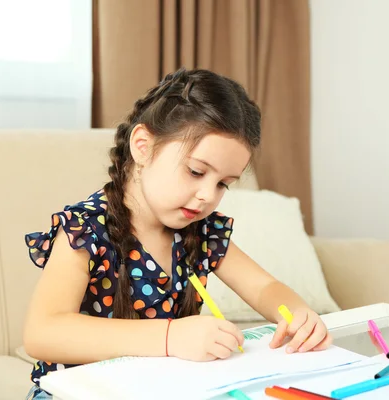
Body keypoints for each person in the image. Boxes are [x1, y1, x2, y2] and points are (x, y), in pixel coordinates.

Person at [22, 68, 332, 399]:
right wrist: (170, 337)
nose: (207, 196)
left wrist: (296, 313)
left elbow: (263, 287)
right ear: (143, 146)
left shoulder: (202, 231)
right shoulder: (85, 229)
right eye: (196, 171)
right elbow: (43, 332)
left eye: (223, 184)